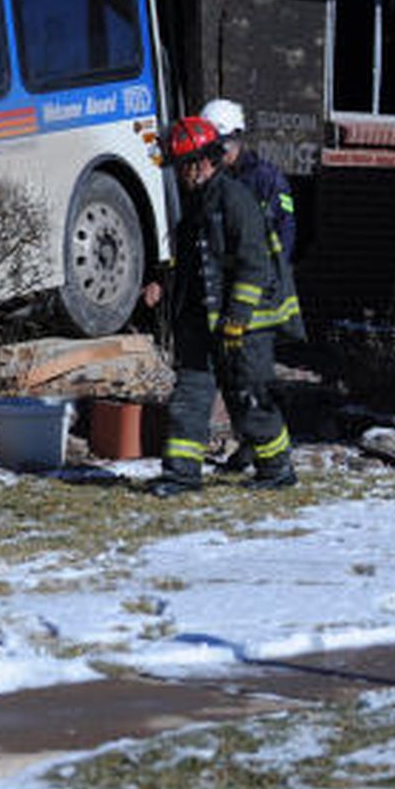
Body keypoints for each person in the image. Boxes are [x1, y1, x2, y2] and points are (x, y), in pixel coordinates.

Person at [141, 115, 303, 498]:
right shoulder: (196, 207)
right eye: (180, 168)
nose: (184, 174)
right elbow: (193, 263)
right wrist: (161, 284)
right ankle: (181, 475)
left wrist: (238, 319)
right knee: (190, 397)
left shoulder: (235, 199)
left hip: (244, 325)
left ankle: (277, 468)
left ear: (207, 160)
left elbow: (254, 263)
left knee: (249, 396)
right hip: (202, 322)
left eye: (188, 165)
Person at [199, 98, 296, 262]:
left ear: (234, 138)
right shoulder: (210, 178)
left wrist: (274, 274)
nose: (211, 152)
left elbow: (284, 228)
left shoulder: (266, 179)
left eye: (217, 144)